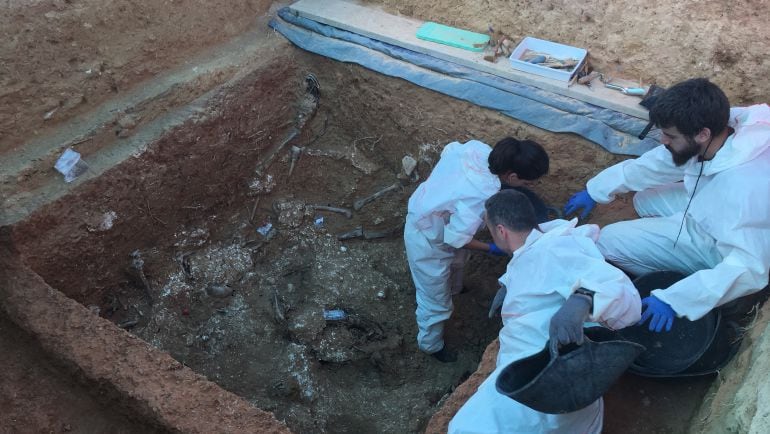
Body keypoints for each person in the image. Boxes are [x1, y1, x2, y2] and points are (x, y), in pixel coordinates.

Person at [564, 78, 770, 332]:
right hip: (712, 201)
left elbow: (750, 268)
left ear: (702, 134)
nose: (662, 140)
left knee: (608, 241)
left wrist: (677, 299)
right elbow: (660, 163)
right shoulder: (732, 125)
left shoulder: (742, 189)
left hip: (729, 242)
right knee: (644, 197)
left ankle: (711, 290)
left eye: (669, 135)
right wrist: (596, 189)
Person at [448, 189, 641, 433]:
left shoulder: (555, 250)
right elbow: (540, 267)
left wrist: (582, 299)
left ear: (501, 231)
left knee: (463, 428)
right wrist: (508, 282)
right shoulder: (544, 241)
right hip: (564, 383)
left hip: (542, 382)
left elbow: (623, 294)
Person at [405, 137, 549, 362]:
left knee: (458, 263)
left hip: (439, 214)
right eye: (528, 183)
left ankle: (455, 290)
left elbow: (449, 148)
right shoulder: (481, 194)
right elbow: (455, 240)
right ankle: (431, 345)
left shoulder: (479, 149)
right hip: (427, 236)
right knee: (435, 301)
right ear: (511, 177)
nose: (530, 188)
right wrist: (492, 248)